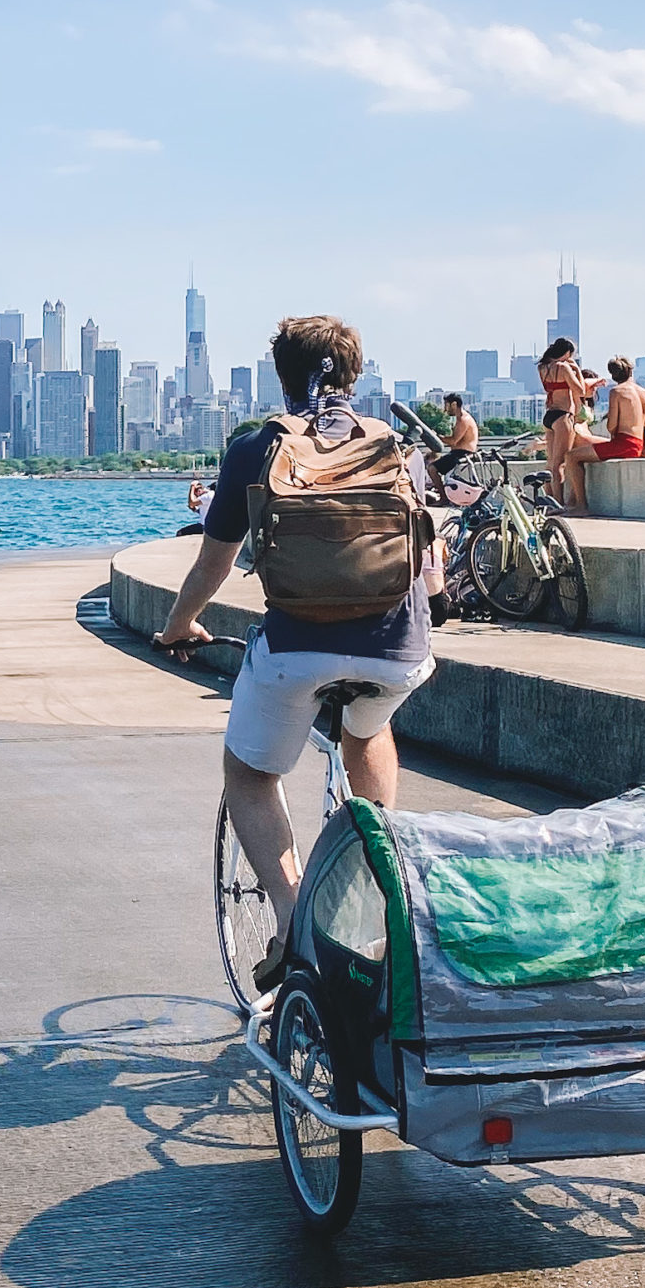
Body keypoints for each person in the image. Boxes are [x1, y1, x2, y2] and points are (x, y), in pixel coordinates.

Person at [152, 315, 435, 971]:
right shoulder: (395, 445)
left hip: (296, 645)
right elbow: (420, 559)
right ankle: (369, 887)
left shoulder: (258, 447)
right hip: (397, 647)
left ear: (283, 380)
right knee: (369, 732)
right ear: (355, 376)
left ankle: (289, 922)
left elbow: (212, 564)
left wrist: (178, 626)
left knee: (249, 774)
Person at [563, 357, 645, 512]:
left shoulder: (617, 392)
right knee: (583, 454)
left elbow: (612, 426)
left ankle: (581, 505)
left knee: (572, 456)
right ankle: (573, 502)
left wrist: (613, 427)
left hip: (623, 444)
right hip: (637, 444)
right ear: (631, 371)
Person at [538, 338, 592, 503]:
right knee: (559, 465)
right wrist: (576, 368)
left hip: (549, 416)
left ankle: (551, 501)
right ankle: (559, 503)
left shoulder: (542, 368)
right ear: (567, 353)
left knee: (551, 464)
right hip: (563, 416)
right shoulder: (563, 367)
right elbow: (581, 390)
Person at [430, 393, 479, 497]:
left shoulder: (463, 419)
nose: (445, 409)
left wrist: (437, 437)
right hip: (458, 453)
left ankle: (444, 497)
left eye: (446, 405)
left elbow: (453, 441)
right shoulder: (460, 418)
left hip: (462, 454)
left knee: (432, 469)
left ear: (454, 404)